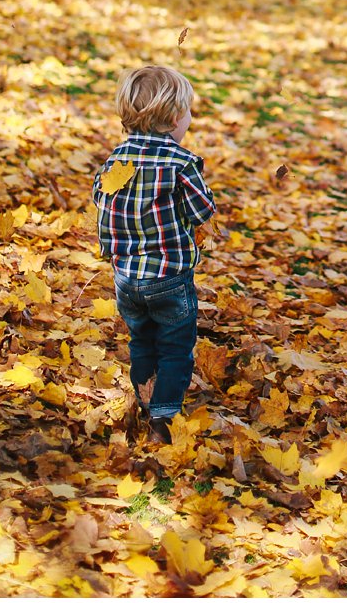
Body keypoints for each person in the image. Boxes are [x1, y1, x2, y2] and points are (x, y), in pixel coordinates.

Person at [93, 65, 216, 439]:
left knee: (141, 340)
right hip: (169, 276)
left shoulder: (115, 161)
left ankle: (144, 399)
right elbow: (202, 211)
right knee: (176, 345)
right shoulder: (181, 163)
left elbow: (102, 200)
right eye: (189, 113)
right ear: (176, 118)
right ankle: (162, 417)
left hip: (126, 276)